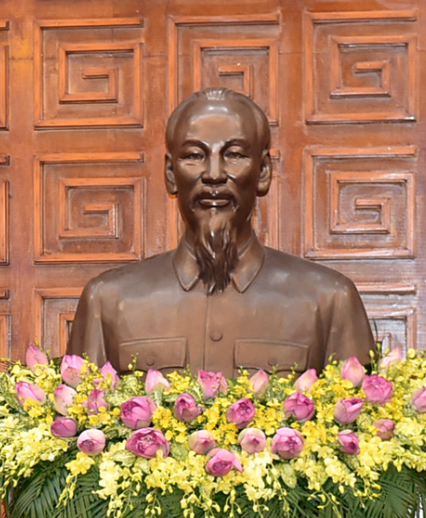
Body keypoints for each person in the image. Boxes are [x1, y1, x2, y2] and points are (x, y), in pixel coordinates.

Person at [67, 88, 373, 376]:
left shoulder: (329, 300)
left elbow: (360, 426)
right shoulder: (107, 300)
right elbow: (78, 419)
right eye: (194, 156)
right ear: (171, 174)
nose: (214, 175)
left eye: (234, 155)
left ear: (263, 172)